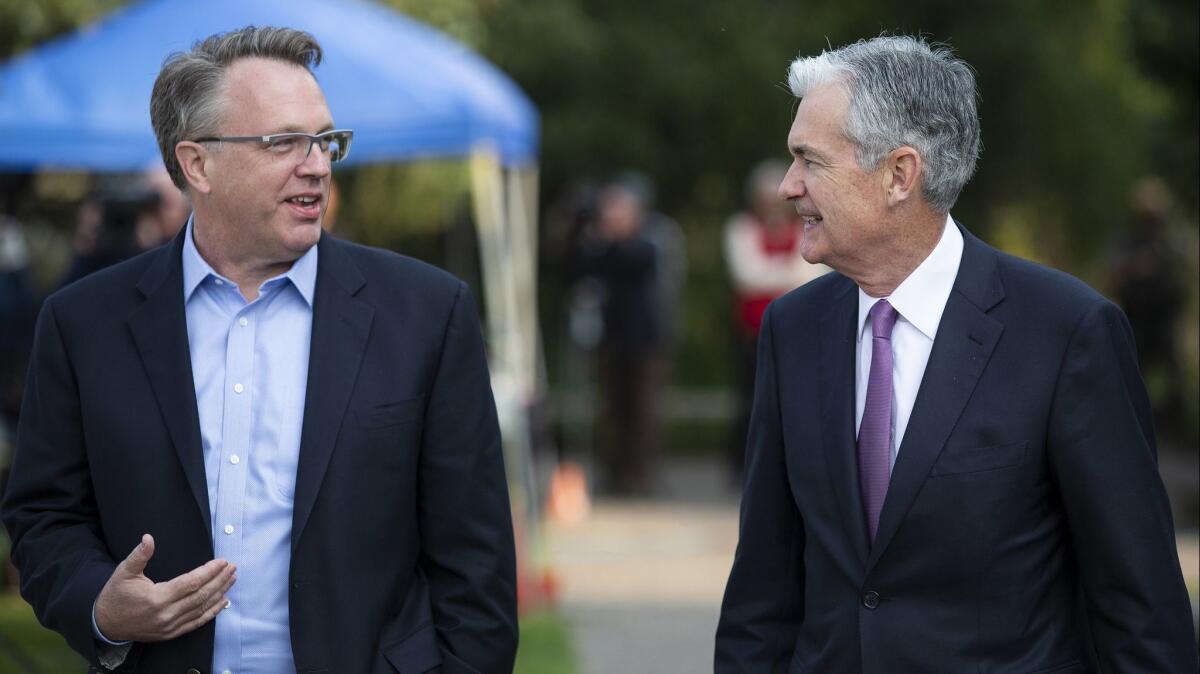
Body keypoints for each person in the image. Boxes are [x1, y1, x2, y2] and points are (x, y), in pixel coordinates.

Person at [1, 26, 517, 674]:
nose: (318, 164)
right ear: (198, 164)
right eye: (283, 142)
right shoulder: (83, 323)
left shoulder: (427, 314)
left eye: (326, 140)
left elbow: (477, 569)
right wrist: (102, 608)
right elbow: (44, 515)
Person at [715, 36, 1197, 672]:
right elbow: (762, 597)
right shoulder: (793, 329)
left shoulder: (1067, 333)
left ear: (899, 174)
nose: (787, 186)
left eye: (809, 160)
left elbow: (1140, 609)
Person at [723, 159, 827, 480]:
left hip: (798, 331)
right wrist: (789, 271)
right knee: (751, 399)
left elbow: (812, 275)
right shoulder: (742, 228)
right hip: (754, 332)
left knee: (796, 397)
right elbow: (747, 276)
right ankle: (744, 465)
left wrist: (774, 272)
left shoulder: (804, 229)